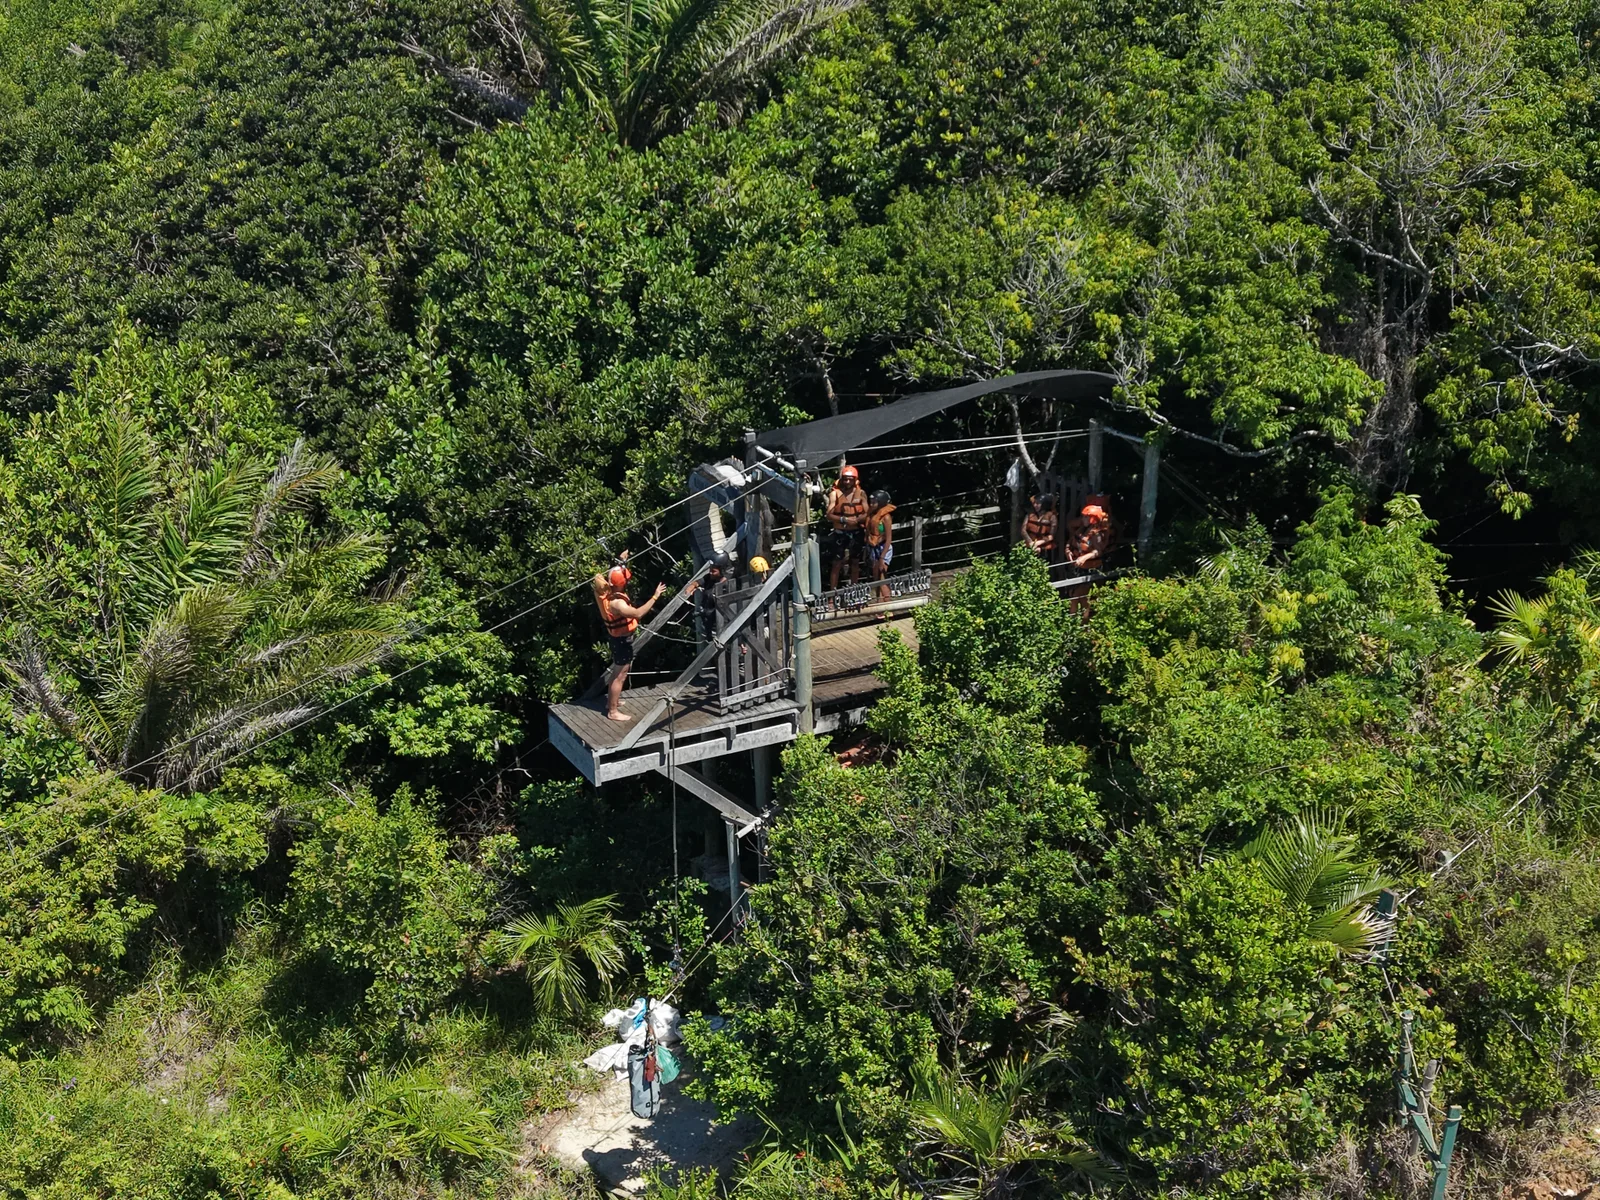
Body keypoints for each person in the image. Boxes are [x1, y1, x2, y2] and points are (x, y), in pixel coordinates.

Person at [594, 555, 665, 721]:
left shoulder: (603, 591)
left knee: (618, 672)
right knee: (621, 674)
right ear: (621, 583)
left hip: (617, 639)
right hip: (622, 641)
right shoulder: (617, 604)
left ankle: (612, 702)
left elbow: (602, 576)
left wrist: (621, 559)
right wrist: (655, 596)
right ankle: (612, 711)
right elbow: (639, 613)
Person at [825, 464, 870, 590]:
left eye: (850, 479)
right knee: (836, 563)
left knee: (855, 562)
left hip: (856, 532)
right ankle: (832, 594)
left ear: (855, 480)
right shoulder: (835, 494)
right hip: (840, 532)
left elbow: (867, 512)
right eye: (845, 479)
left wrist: (858, 519)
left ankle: (854, 590)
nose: (848, 481)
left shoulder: (861, 493)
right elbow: (829, 514)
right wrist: (843, 519)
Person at [865, 489, 896, 603]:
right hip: (873, 548)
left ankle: (887, 606)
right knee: (876, 578)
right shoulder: (871, 514)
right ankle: (879, 603)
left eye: (874, 502)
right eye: (870, 502)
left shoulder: (886, 517)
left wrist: (882, 557)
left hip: (884, 549)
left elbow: (888, 539)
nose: (871, 504)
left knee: (882, 577)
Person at [1022, 493, 1057, 557]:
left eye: (1038, 503)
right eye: (1034, 503)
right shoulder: (1030, 515)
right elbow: (1023, 530)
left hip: (1045, 548)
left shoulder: (1052, 516)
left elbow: (1051, 536)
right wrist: (1031, 543)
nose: (1035, 505)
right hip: (1029, 545)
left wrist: (1038, 543)